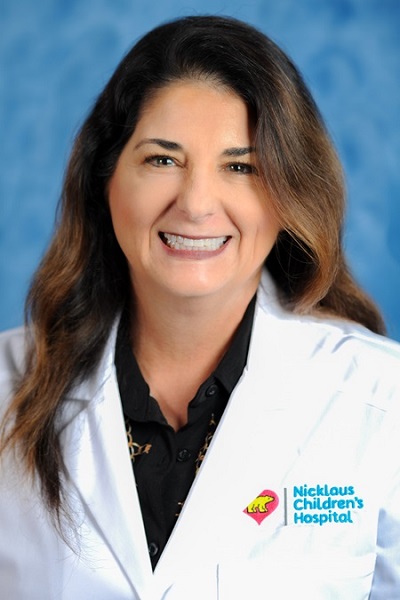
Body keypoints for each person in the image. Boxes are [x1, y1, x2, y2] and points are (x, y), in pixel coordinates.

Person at [0, 15, 399, 599]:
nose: (196, 204)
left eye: (241, 167)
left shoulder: (383, 400)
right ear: (104, 180)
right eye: (163, 160)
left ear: (291, 196)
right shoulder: (7, 386)